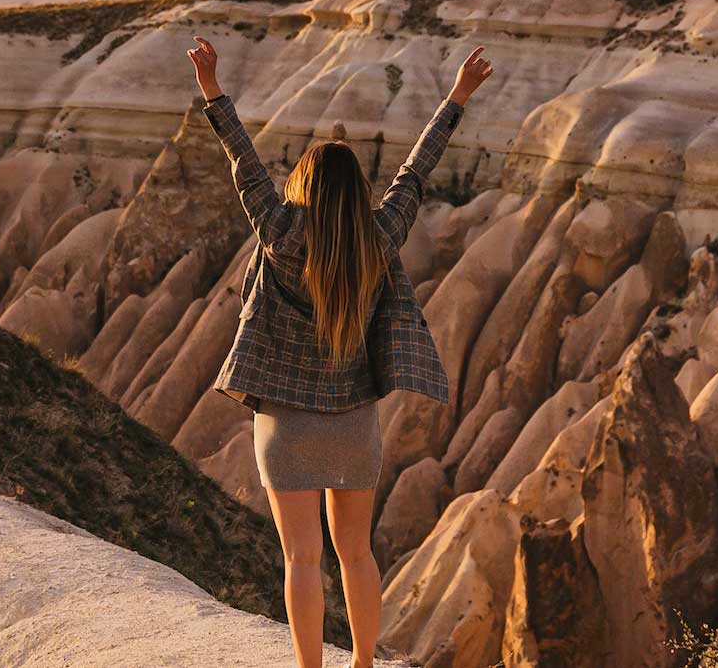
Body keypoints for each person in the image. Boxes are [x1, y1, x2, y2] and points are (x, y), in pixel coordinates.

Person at [185, 36, 493, 668]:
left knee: (301, 558)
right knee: (356, 553)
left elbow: (242, 161)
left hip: (285, 423)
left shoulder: (279, 232)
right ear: (356, 195)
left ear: (302, 187)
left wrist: (212, 86)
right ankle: (361, 663)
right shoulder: (378, 240)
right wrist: (457, 96)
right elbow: (415, 172)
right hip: (354, 421)